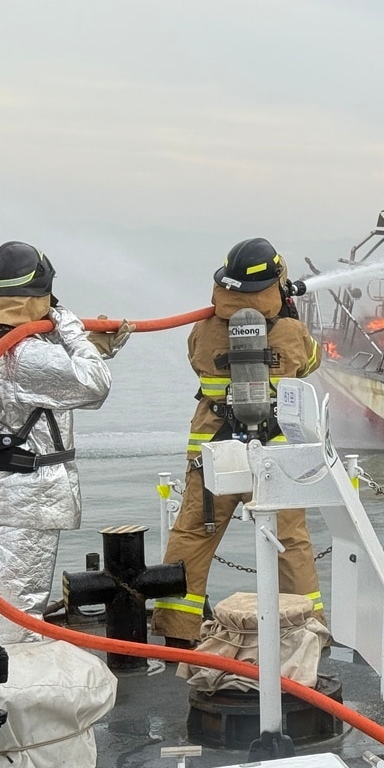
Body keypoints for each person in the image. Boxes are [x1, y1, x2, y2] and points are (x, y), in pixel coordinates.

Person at [0, 241, 129, 648]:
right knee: (13, 614)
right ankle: (1, 686)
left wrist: (91, 348)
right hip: (22, 502)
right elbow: (95, 386)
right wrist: (71, 329)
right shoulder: (23, 353)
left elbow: (49, 382)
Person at [151, 238, 324, 647]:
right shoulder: (291, 331)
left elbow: (195, 360)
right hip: (273, 455)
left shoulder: (204, 330)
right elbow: (311, 361)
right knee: (290, 542)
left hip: (214, 452)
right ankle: (306, 632)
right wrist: (288, 314)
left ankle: (177, 630)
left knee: (193, 534)